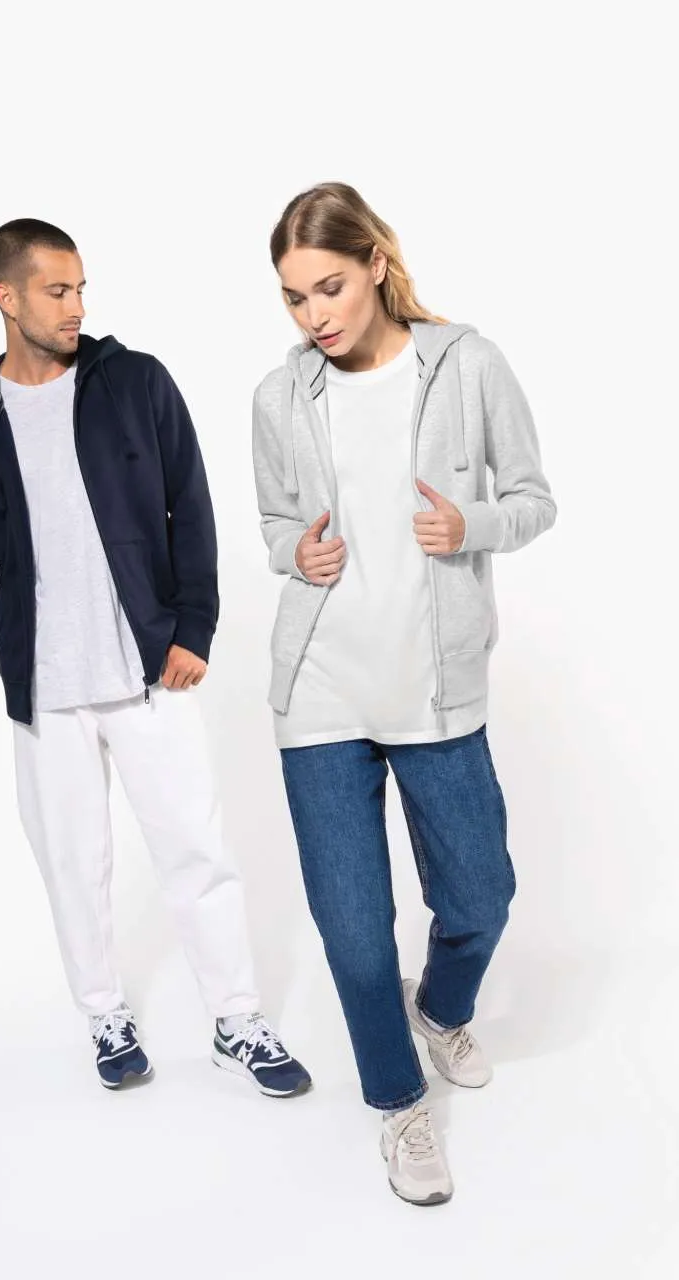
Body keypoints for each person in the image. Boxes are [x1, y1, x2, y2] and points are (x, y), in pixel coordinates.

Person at [0, 218, 310, 1099]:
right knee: (72, 867)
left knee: (196, 852)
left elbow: (189, 506)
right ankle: (104, 1015)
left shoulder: (135, 382)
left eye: (81, 288)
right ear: (6, 296)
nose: (77, 306)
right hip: (44, 690)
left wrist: (192, 629)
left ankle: (236, 1020)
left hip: (147, 674)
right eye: (57, 290)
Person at [251, 183, 556, 1203]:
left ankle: (442, 1008)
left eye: (329, 287)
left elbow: (533, 499)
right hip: (319, 690)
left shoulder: (464, 363)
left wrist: (469, 526)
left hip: (433, 688)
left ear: (375, 265)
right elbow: (273, 524)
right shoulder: (278, 396)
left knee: (480, 896)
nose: (315, 314)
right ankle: (399, 1105)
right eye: (295, 297)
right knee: (351, 930)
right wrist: (293, 550)